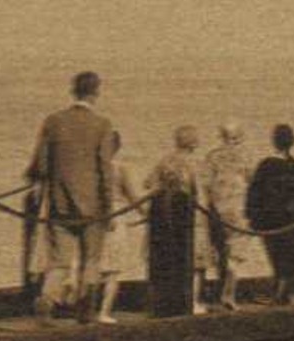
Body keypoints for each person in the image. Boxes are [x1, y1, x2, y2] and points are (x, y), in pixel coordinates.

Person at [26, 71, 116, 324]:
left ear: (73, 91)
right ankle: (86, 310)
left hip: (59, 205)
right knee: (91, 260)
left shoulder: (53, 121)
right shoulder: (103, 124)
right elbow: (105, 170)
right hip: (93, 208)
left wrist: (40, 189)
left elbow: (40, 165)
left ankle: (47, 300)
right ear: (96, 92)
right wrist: (109, 207)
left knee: (59, 262)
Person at [247, 124, 294, 304]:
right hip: (293, 220)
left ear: (274, 142)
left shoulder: (266, 165)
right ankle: (282, 292)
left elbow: (254, 194)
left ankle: (280, 294)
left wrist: (253, 218)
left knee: (277, 256)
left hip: (270, 220)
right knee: (289, 256)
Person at [146, 125, 210, 315]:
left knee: (169, 259)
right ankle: (193, 301)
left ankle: (165, 302)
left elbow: (149, 183)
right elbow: (201, 193)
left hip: (166, 219)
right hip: (191, 218)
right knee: (197, 263)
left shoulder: (165, 160)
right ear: (193, 142)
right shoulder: (195, 163)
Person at [203, 122, 255, 310]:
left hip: (217, 209)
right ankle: (229, 293)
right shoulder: (246, 156)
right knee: (236, 254)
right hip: (239, 209)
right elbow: (252, 182)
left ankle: (220, 290)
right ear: (240, 137)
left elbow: (206, 184)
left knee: (220, 252)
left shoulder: (212, 156)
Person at [95, 131, 144, 325]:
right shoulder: (120, 169)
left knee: (93, 265)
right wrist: (146, 214)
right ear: (117, 147)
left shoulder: (92, 169)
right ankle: (104, 312)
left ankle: (85, 310)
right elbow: (133, 196)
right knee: (113, 270)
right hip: (115, 218)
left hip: (94, 217)